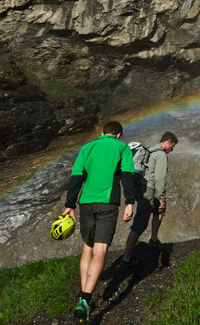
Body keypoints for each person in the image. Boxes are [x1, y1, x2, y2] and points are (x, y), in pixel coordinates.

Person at [62, 121, 135, 321]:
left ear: (102, 133)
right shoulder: (122, 148)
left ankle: (82, 294)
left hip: (86, 202)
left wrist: (70, 204)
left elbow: (76, 177)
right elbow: (127, 175)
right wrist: (130, 201)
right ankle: (86, 298)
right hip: (108, 202)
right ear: (119, 135)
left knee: (88, 247)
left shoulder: (87, 148)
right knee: (100, 249)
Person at [121, 131, 178, 267]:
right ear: (168, 142)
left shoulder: (150, 151)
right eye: (172, 146)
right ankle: (126, 257)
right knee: (140, 223)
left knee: (159, 212)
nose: (172, 149)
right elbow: (160, 178)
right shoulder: (161, 155)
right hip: (149, 191)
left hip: (141, 188)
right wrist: (162, 198)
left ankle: (153, 239)